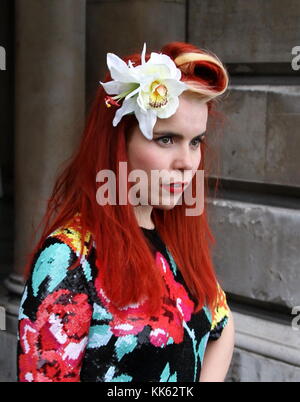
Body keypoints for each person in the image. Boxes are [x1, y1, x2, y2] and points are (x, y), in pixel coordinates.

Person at [17, 41, 235, 382]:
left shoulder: (177, 241)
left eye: (195, 142)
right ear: (120, 144)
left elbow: (221, 321)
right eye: (166, 139)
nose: (187, 163)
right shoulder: (70, 258)